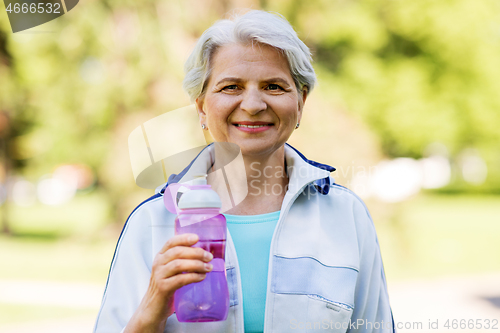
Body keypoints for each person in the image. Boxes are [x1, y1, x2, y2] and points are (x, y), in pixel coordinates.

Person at [94, 10, 395, 333]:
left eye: (274, 86)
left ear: (301, 103)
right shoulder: (153, 222)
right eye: (231, 87)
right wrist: (152, 307)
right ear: (201, 107)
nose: (252, 104)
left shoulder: (346, 216)